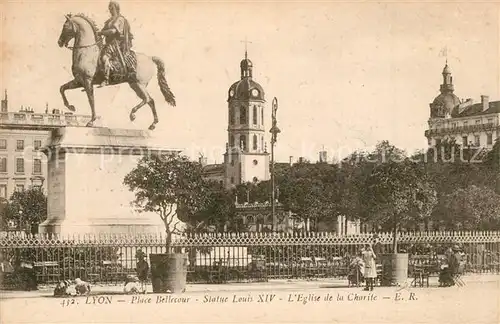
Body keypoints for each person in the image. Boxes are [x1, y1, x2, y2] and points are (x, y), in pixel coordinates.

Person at [98, 1, 134, 86]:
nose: (110, 9)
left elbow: (112, 31)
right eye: (109, 8)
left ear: (117, 8)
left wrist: (101, 33)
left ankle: (106, 79)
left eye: (112, 7)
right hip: (108, 43)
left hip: (117, 44)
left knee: (104, 57)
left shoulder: (120, 19)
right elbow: (103, 31)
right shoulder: (109, 21)